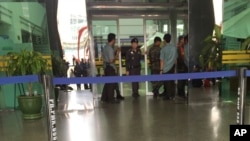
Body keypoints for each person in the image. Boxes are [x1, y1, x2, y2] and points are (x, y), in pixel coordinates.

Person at [101, 33, 120, 103]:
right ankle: (111, 99)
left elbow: (103, 56)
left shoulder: (105, 47)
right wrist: (117, 56)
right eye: (114, 39)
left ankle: (104, 97)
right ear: (113, 40)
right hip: (110, 68)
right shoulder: (110, 49)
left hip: (106, 67)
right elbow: (111, 60)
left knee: (107, 83)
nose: (115, 41)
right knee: (111, 84)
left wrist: (116, 49)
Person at [160, 34, 178, 100]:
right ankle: (172, 95)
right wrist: (175, 68)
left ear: (164, 40)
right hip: (172, 67)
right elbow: (175, 59)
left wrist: (161, 70)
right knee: (171, 82)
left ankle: (168, 95)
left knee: (166, 82)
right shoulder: (174, 48)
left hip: (165, 68)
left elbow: (162, 61)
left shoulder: (163, 49)